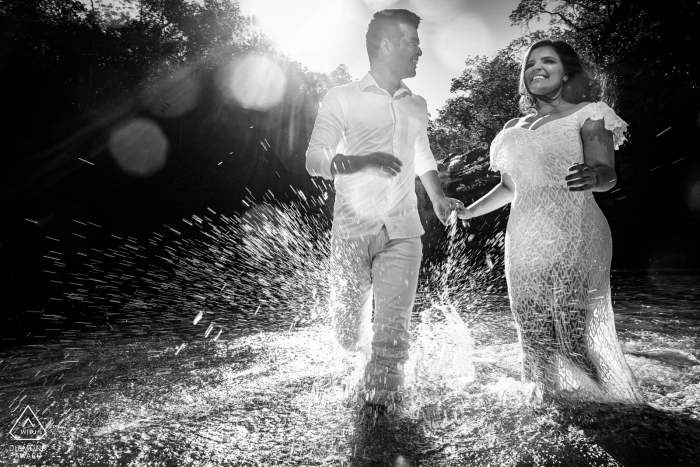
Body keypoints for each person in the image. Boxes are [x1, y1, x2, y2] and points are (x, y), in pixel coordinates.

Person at [457, 39, 644, 403]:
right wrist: (468, 211)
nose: (536, 69)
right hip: (525, 238)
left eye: (548, 61)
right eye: (530, 64)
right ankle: (546, 406)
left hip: (574, 231)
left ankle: (617, 406)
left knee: (570, 339)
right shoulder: (514, 125)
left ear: (566, 72)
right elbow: (510, 187)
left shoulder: (589, 112)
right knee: (531, 333)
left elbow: (607, 174)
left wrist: (594, 176)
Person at [306, 9, 463, 409]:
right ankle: (359, 376)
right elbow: (314, 159)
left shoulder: (418, 104)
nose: (420, 51)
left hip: (403, 229)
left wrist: (438, 196)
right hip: (351, 230)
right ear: (388, 44)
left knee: (392, 335)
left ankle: (381, 417)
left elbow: (423, 154)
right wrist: (359, 161)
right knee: (346, 335)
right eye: (412, 41)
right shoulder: (341, 96)